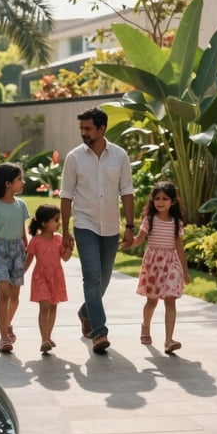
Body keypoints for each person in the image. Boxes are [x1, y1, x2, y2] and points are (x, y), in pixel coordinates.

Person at [60, 106, 135, 354]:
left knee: (103, 279)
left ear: (102, 129)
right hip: (85, 225)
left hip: (111, 226)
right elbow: (66, 196)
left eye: (88, 128)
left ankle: (85, 312)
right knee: (91, 277)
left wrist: (130, 226)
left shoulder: (120, 156)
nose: (83, 132)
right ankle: (99, 332)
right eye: (81, 128)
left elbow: (127, 191)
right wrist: (67, 231)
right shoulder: (74, 158)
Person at [132, 181, 190, 354]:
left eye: (165, 198)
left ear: (172, 202)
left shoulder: (176, 223)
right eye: (157, 198)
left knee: (171, 299)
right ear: (152, 201)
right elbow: (139, 240)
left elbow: (179, 247)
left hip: (171, 264)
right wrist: (127, 243)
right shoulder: (149, 220)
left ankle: (168, 340)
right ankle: (145, 327)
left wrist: (185, 271)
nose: (161, 202)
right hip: (154, 265)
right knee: (152, 301)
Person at [0, 162, 30, 353]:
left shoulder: (21, 205)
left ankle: (7, 324)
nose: (23, 182)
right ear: (8, 184)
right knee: (4, 293)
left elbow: (23, 232)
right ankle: (3, 338)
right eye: (19, 179)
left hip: (18, 251)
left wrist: (27, 251)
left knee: (15, 296)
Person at [24, 203, 72, 354]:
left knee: (53, 306)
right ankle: (44, 339)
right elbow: (29, 259)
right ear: (45, 223)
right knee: (44, 306)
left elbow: (65, 258)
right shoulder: (35, 241)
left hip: (56, 277)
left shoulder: (59, 239)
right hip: (40, 277)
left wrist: (70, 247)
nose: (59, 223)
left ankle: (48, 336)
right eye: (56, 220)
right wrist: (21, 273)